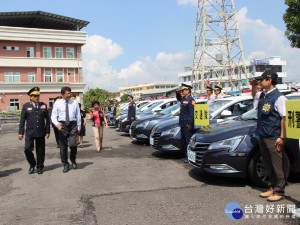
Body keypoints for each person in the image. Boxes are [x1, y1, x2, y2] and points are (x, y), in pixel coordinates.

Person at [252, 70, 288, 202]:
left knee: (277, 165)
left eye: (261, 80)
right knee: (268, 163)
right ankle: (272, 187)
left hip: (274, 136)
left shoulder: (279, 97)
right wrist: (253, 86)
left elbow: (284, 118)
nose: (259, 82)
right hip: (263, 134)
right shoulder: (262, 95)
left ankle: (280, 190)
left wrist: (282, 137)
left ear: (269, 80)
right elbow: (254, 101)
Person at [18, 87, 50, 174]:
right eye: (34, 96)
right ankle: (32, 164)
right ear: (30, 97)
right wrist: (21, 133)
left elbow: (47, 119)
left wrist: (48, 131)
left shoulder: (43, 105)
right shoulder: (26, 106)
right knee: (27, 149)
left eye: (38, 95)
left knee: (40, 151)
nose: (37, 97)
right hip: (30, 132)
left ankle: (40, 166)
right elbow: (22, 121)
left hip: (40, 132)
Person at [51, 86, 81, 173]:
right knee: (63, 147)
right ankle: (65, 164)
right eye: (67, 93)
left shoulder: (74, 102)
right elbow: (53, 116)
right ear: (62, 94)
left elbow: (78, 115)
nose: (69, 95)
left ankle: (73, 160)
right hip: (62, 125)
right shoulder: (57, 103)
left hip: (72, 125)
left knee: (73, 145)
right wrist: (57, 124)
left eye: (70, 93)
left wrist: (79, 127)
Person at [176, 83, 195, 163]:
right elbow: (178, 98)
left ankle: (189, 157)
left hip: (187, 124)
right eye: (182, 90)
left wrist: (190, 124)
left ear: (188, 91)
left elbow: (192, 113)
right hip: (183, 123)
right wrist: (177, 92)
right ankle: (185, 155)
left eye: (183, 90)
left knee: (188, 141)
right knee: (184, 140)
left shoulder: (191, 100)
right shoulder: (184, 99)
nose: (182, 92)